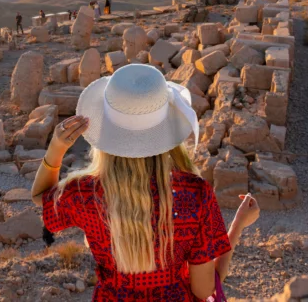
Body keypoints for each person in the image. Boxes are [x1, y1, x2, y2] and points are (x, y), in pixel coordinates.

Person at [31, 65, 260, 300]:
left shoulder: (86, 193)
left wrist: (56, 147)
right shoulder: (195, 194)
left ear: (107, 130)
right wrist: (238, 226)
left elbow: (41, 197)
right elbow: (204, 290)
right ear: (166, 128)